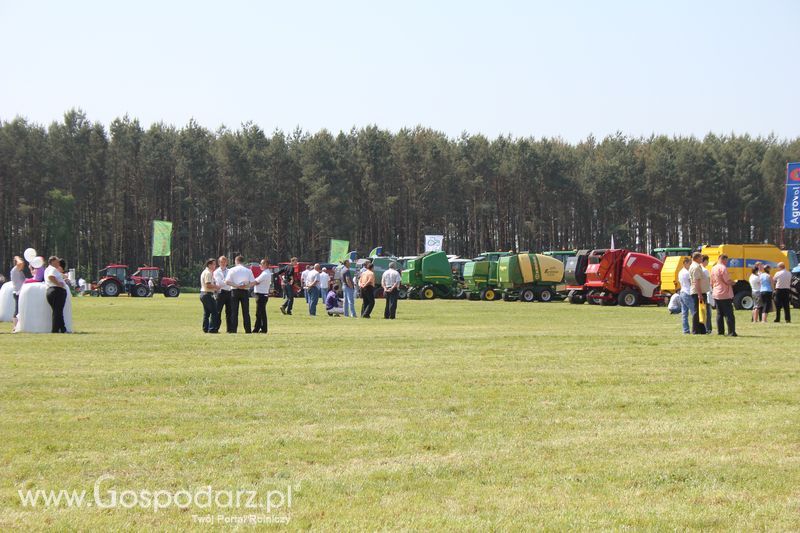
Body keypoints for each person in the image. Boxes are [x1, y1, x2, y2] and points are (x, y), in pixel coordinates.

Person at [225, 255, 256, 333]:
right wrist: (245, 286)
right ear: (243, 261)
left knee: (234, 312)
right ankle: (248, 330)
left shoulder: (232, 270)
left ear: (236, 261)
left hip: (234, 291)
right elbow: (253, 283)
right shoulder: (248, 270)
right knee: (246, 312)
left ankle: (233, 330)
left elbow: (227, 282)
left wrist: (237, 285)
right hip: (244, 291)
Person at [710, 254, 736, 336]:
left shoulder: (713, 268)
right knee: (729, 314)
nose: (727, 262)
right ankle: (731, 332)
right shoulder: (723, 268)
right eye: (726, 260)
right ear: (724, 259)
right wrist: (734, 282)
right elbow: (727, 280)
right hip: (724, 293)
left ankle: (720, 331)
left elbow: (711, 282)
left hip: (716, 292)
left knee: (719, 314)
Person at [44, 255, 68, 333]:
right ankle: (55, 330)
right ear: (52, 262)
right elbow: (51, 277)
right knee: (58, 311)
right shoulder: (53, 269)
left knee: (57, 311)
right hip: (57, 291)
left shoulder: (47, 269)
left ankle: (63, 328)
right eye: (57, 262)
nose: (59, 263)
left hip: (51, 291)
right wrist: (58, 284)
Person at [199, 258, 220, 333]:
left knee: (207, 313)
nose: (215, 265)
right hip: (207, 294)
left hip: (203, 294)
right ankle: (212, 329)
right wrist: (216, 287)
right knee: (214, 312)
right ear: (209, 265)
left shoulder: (205, 272)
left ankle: (205, 328)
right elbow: (208, 285)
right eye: (214, 264)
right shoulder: (208, 273)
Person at [253, 259, 272, 333]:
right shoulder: (265, 273)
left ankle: (259, 328)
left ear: (266, 265)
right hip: (263, 294)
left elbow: (256, 281)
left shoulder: (265, 273)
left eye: (262, 264)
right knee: (261, 312)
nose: (260, 265)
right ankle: (261, 328)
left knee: (260, 313)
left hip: (261, 295)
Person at [214, 256, 233, 332]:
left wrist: (226, 282)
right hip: (220, 293)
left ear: (227, 262)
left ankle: (230, 329)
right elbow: (219, 283)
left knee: (229, 312)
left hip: (229, 292)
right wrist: (228, 282)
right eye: (221, 262)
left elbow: (232, 281)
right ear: (219, 263)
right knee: (218, 311)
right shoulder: (216, 272)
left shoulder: (230, 271)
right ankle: (216, 328)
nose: (223, 263)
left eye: (224, 262)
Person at [688, 252, 705, 334]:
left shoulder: (694, 266)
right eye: (701, 257)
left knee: (700, 311)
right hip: (697, 292)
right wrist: (699, 294)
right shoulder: (696, 267)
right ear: (697, 258)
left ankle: (701, 329)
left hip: (696, 291)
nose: (702, 259)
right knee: (697, 311)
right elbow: (696, 281)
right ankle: (696, 330)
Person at [9, 256, 28, 327]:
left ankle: (18, 325)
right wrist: (17, 258)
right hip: (17, 293)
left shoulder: (19, 271)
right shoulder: (15, 270)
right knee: (17, 310)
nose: (23, 265)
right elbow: (21, 263)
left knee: (19, 309)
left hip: (20, 292)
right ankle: (15, 326)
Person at [677, 258, 693, 334]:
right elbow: (691, 283)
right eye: (690, 263)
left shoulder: (680, 272)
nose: (690, 265)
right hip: (688, 293)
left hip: (682, 292)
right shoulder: (687, 273)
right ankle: (696, 328)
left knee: (684, 314)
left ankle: (686, 330)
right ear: (685, 263)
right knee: (694, 312)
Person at [700, 255, 712, 334]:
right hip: (706, 292)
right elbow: (709, 281)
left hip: (700, 291)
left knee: (702, 311)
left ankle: (703, 327)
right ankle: (708, 328)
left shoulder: (699, 269)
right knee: (708, 312)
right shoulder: (705, 270)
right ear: (705, 261)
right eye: (708, 261)